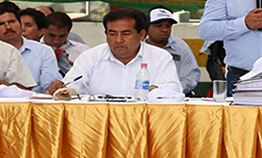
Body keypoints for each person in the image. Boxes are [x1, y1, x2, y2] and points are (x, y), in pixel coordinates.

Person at [48, 8, 183, 96]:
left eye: (126, 34)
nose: (118, 40)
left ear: (141, 35)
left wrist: (157, 92)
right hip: (99, 123)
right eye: (112, 34)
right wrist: (62, 89)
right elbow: (73, 86)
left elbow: (173, 90)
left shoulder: (159, 57)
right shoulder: (91, 57)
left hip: (145, 122)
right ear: (106, 33)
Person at [0, 2, 61, 93]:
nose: (8, 27)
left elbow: (49, 83)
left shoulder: (43, 51)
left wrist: (52, 88)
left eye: (12, 22)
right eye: (1, 24)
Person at [145, 6, 201, 94]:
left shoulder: (181, 47)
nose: (164, 30)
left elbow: (190, 77)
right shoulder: (138, 46)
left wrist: (170, 91)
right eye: (158, 26)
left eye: (168, 26)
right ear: (146, 28)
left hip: (174, 98)